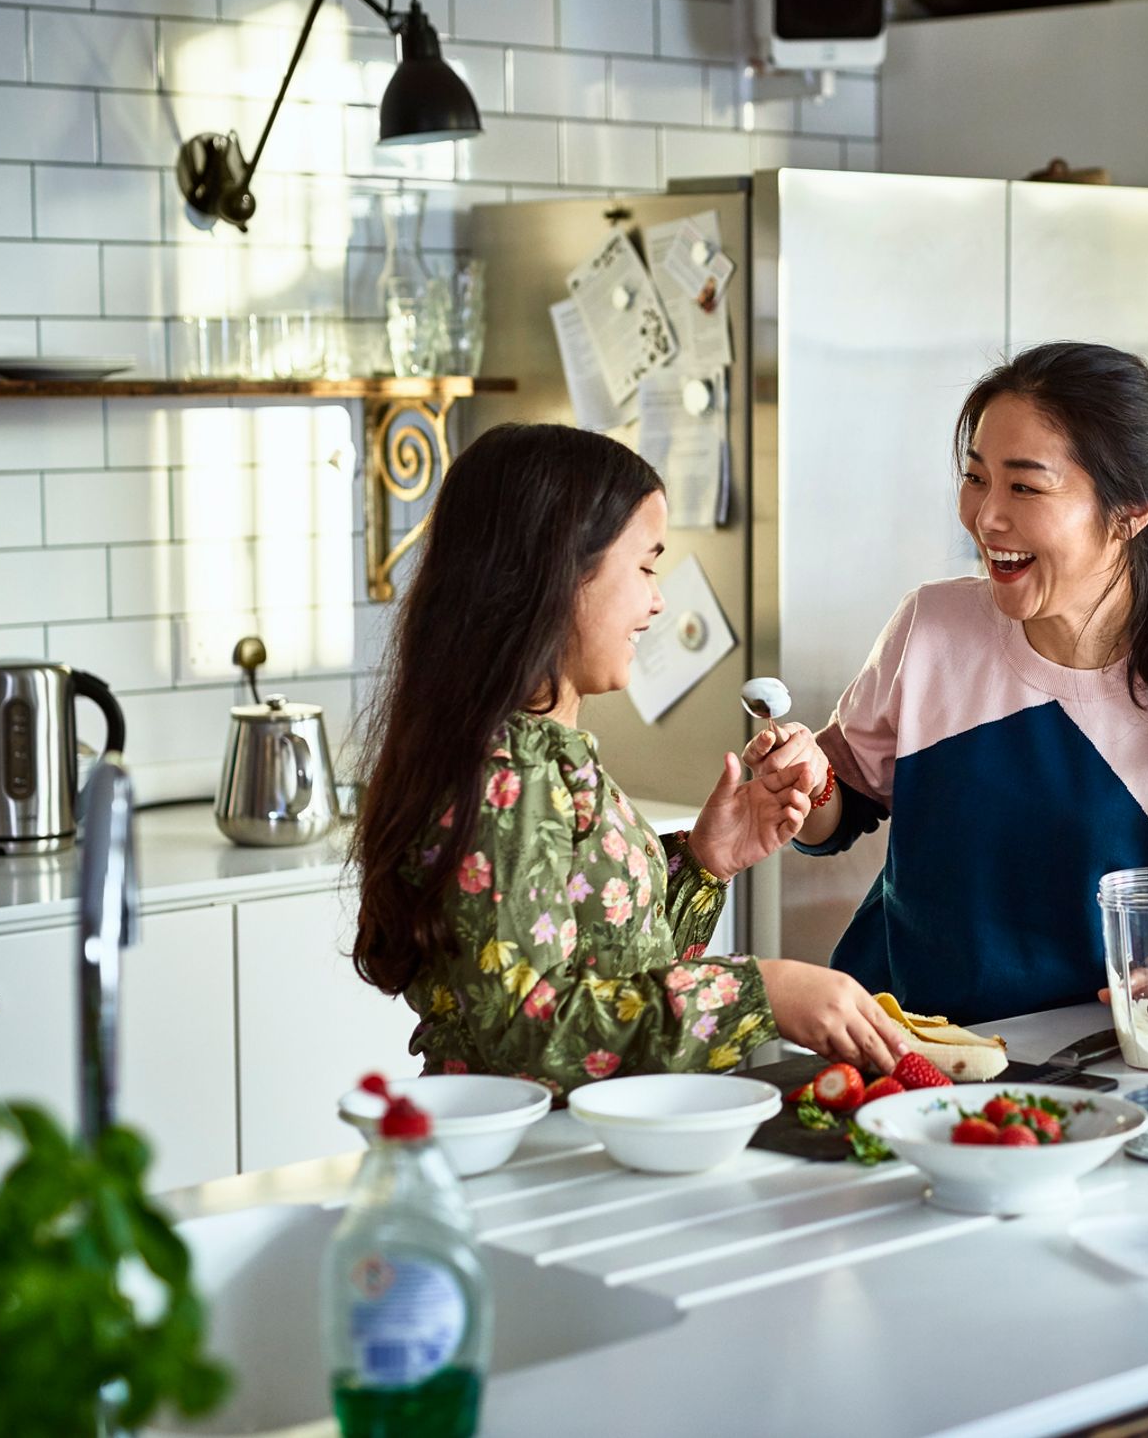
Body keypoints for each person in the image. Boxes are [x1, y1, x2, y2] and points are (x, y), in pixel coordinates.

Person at [350, 423, 909, 1096]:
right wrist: (759, 991)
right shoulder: (506, 774)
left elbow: (608, 977)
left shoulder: (545, 755)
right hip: (530, 1162)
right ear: (557, 571)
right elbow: (536, 1036)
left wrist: (704, 861)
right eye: (644, 564)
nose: (657, 598)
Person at [754, 343, 1148, 1025]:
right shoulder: (931, 627)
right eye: (976, 478)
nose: (984, 516)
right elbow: (843, 804)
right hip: (898, 1042)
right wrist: (803, 782)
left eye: (1025, 487)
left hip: (1083, 1059)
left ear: (1130, 510)